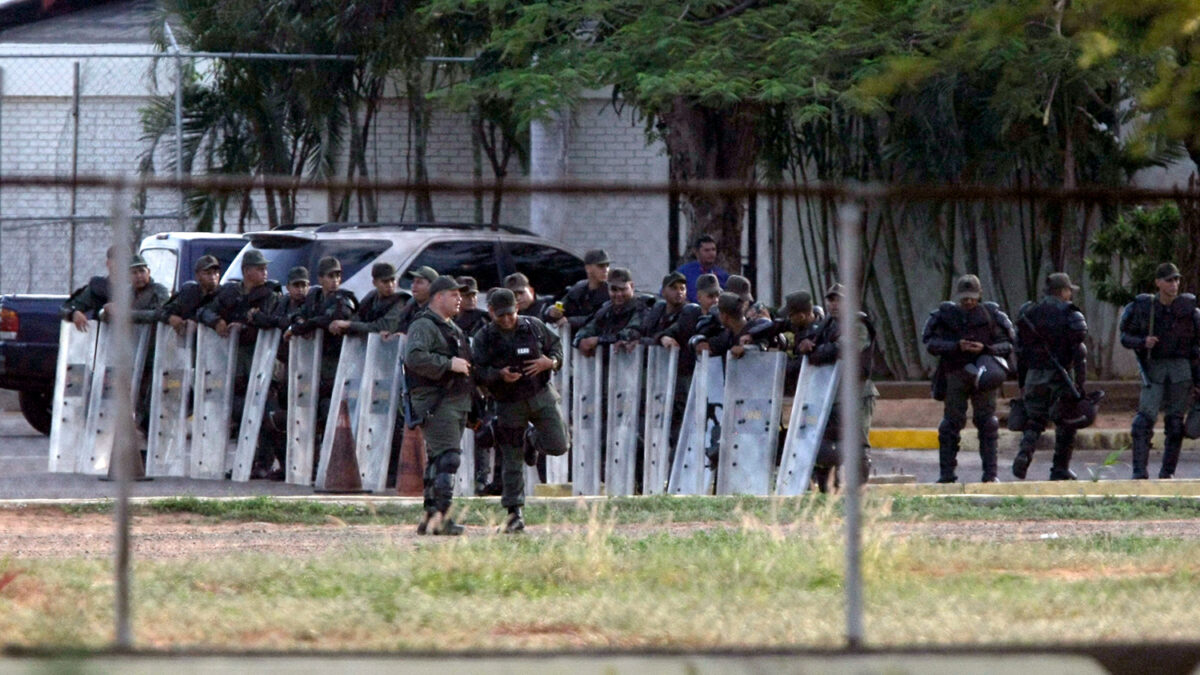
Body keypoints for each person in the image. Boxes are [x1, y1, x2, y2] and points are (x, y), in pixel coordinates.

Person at [473, 288, 568, 533]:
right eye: (501, 315)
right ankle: (514, 513)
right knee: (512, 459)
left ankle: (531, 438)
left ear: (517, 309)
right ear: (491, 312)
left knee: (559, 444)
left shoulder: (534, 326)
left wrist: (551, 362)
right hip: (509, 403)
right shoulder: (484, 337)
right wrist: (499, 375)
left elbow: (556, 346)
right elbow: (478, 370)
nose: (506, 320)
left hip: (541, 395)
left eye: (511, 314)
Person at [197, 249, 284, 476]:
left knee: (268, 416)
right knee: (240, 412)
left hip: (262, 364)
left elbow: (270, 321)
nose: (265, 272)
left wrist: (245, 325)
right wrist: (217, 321)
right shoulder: (231, 293)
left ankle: (267, 463)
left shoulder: (270, 295)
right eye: (259, 268)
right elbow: (204, 311)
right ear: (246, 271)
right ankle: (248, 462)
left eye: (265, 268)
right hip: (236, 366)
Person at [922, 274, 1015, 483]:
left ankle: (990, 475)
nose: (968, 301)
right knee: (951, 424)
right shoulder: (945, 316)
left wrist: (986, 349)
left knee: (988, 423)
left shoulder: (991, 315)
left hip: (984, 375)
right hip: (955, 373)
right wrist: (956, 346)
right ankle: (946, 475)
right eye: (965, 297)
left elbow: (1008, 343)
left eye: (972, 297)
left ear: (979, 295)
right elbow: (930, 342)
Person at [403, 275, 474, 536]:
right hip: (437, 401)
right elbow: (414, 356)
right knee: (448, 459)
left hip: (454, 400)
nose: (460, 300)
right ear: (439, 297)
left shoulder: (450, 327)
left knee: (438, 460)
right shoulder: (424, 324)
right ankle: (442, 519)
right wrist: (447, 364)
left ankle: (431, 517)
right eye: (454, 295)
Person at [1120, 262, 1200, 479]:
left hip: (1181, 371)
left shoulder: (1189, 310)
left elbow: (1196, 348)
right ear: (1158, 283)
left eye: (1176, 280)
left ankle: (1167, 473)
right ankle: (1139, 473)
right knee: (1143, 421)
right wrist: (1142, 341)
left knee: (1175, 424)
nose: (1174, 284)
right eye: (1169, 280)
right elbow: (1125, 336)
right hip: (1154, 368)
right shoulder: (1144, 306)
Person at [1012, 273, 1089, 481]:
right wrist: (1080, 385)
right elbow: (1079, 350)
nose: (1070, 294)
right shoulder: (1070, 313)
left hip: (1034, 375)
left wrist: (1022, 382)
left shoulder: (1029, 313)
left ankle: (1024, 454)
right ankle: (1060, 468)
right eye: (1069, 290)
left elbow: (1020, 351)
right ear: (1063, 291)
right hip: (1061, 376)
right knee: (1066, 422)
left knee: (1035, 420)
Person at [801, 283, 877, 492]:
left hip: (857, 393)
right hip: (832, 394)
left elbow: (844, 348)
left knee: (857, 445)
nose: (834, 305)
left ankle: (858, 491)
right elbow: (813, 347)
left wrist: (816, 351)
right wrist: (807, 345)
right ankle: (828, 490)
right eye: (831, 300)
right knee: (827, 447)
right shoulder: (828, 325)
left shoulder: (858, 324)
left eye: (839, 300)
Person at [573, 267, 645, 356]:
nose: (619, 294)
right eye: (614, 290)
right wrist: (580, 341)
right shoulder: (606, 309)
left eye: (623, 289)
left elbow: (631, 333)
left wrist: (598, 340)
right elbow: (588, 327)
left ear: (632, 286)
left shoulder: (641, 307)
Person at [329, 262, 406, 338]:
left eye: (392, 280)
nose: (390, 285)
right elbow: (358, 317)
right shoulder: (372, 297)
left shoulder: (401, 300)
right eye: (385, 281)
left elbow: (384, 327)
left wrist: (349, 325)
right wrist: (341, 327)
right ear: (374, 283)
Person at [774, 290, 825, 393]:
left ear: (801, 316)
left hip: (811, 389)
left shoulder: (817, 335)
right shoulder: (800, 324)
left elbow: (800, 365)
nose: (789, 319)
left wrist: (778, 363)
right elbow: (777, 326)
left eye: (791, 316)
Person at [547, 249, 611, 329]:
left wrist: (571, 321)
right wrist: (552, 312)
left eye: (607, 265)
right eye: (601, 266)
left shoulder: (611, 292)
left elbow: (600, 318)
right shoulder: (579, 288)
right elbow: (561, 304)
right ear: (588, 268)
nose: (606, 270)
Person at [160, 255, 222, 333]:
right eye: (208, 273)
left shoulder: (223, 294)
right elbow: (162, 311)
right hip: (186, 342)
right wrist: (170, 317)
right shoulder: (189, 292)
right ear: (197, 275)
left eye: (216, 273)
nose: (213, 277)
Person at [677, 234, 730, 302]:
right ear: (696, 253)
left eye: (713, 250)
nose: (711, 253)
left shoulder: (723, 275)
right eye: (707, 250)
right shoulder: (684, 273)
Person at [395, 265, 438, 334]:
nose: (414, 286)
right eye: (413, 282)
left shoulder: (437, 311)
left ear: (432, 286)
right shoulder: (409, 308)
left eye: (419, 282)